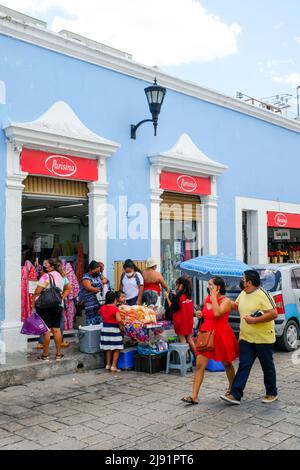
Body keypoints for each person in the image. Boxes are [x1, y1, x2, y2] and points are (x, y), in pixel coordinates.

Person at [220, 269, 278, 405]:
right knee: (244, 365)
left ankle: (272, 392)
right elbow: (237, 306)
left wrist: (254, 320)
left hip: (263, 339)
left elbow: (274, 313)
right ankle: (235, 394)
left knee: (267, 366)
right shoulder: (243, 293)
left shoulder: (263, 294)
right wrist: (224, 301)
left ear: (249, 282)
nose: (241, 281)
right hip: (246, 338)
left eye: (243, 279)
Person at [181, 276, 239, 405]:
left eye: (211, 284)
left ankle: (232, 389)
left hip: (221, 335)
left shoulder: (226, 301)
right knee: (200, 365)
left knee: (227, 364)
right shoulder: (207, 298)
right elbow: (207, 312)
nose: (208, 287)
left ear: (218, 287)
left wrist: (214, 297)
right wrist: (200, 313)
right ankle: (194, 396)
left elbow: (218, 313)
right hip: (206, 334)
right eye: (208, 284)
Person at [32, 258, 71, 361]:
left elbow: (37, 291)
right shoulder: (63, 276)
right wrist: (62, 297)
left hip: (45, 305)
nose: (45, 266)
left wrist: (33, 303)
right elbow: (68, 288)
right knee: (56, 329)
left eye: (47, 264)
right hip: (58, 305)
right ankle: (58, 354)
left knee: (46, 331)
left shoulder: (46, 276)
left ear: (52, 267)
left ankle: (45, 355)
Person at [165, 276, 195, 353]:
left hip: (180, 322)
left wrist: (167, 297)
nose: (177, 286)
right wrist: (176, 296)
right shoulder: (189, 295)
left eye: (177, 284)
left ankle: (185, 360)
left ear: (181, 285)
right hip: (189, 321)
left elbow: (172, 307)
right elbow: (182, 303)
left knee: (183, 340)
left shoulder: (179, 296)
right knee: (190, 339)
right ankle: (197, 357)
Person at [99, 291, 124, 372]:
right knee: (117, 348)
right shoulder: (115, 308)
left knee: (108, 348)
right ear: (114, 299)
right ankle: (113, 366)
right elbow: (119, 319)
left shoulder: (102, 308)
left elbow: (100, 313)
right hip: (114, 330)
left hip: (105, 329)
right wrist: (123, 324)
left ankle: (108, 364)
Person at [79, 261, 103, 325]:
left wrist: (103, 282)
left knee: (98, 316)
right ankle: (91, 332)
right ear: (90, 270)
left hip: (97, 301)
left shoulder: (98, 275)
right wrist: (97, 290)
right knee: (91, 317)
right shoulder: (86, 277)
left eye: (99, 271)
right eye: (96, 271)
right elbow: (88, 287)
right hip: (89, 302)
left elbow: (105, 280)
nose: (98, 272)